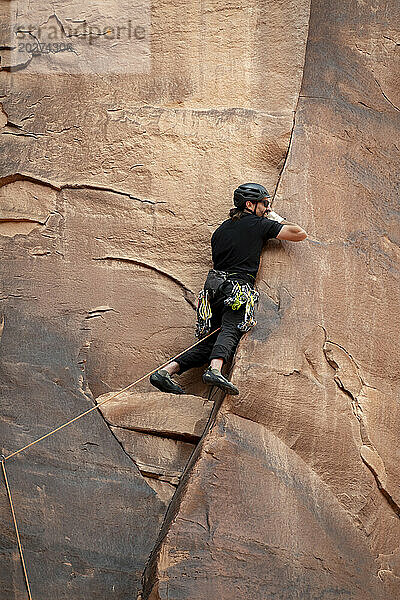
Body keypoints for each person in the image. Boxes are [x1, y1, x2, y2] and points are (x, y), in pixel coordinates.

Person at [149, 182, 307, 396]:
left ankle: (166, 372)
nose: (266, 208)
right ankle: (215, 370)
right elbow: (299, 234)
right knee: (231, 328)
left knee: (211, 342)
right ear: (250, 205)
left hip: (213, 290)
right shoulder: (257, 224)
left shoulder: (220, 230)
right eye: (264, 204)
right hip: (237, 288)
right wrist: (274, 216)